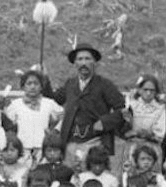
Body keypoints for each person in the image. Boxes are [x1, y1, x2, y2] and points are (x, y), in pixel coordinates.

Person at [45, 42, 125, 170]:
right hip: (71, 142)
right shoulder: (70, 84)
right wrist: (44, 80)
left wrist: (104, 122)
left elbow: (122, 110)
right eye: (80, 59)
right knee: (69, 178)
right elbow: (56, 98)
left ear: (95, 63)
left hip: (95, 142)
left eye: (87, 59)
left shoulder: (105, 85)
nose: (83, 63)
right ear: (75, 63)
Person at [5, 69, 63, 164]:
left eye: (36, 83)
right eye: (29, 83)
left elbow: (64, 117)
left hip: (43, 151)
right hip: (22, 150)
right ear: (23, 87)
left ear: (41, 87)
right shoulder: (15, 105)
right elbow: (8, 125)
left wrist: (55, 130)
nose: (32, 87)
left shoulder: (49, 103)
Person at [122, 74, 166, 173]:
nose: (148, 93)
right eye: (145, 89)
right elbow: (125, 129)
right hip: (133, 145)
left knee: (152, 178)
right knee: (132, 175)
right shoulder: (132, 106)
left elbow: (159, 133)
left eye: (152, 90)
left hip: (152, 146)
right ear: (139, 90)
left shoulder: (160, 108)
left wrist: (142, 133)